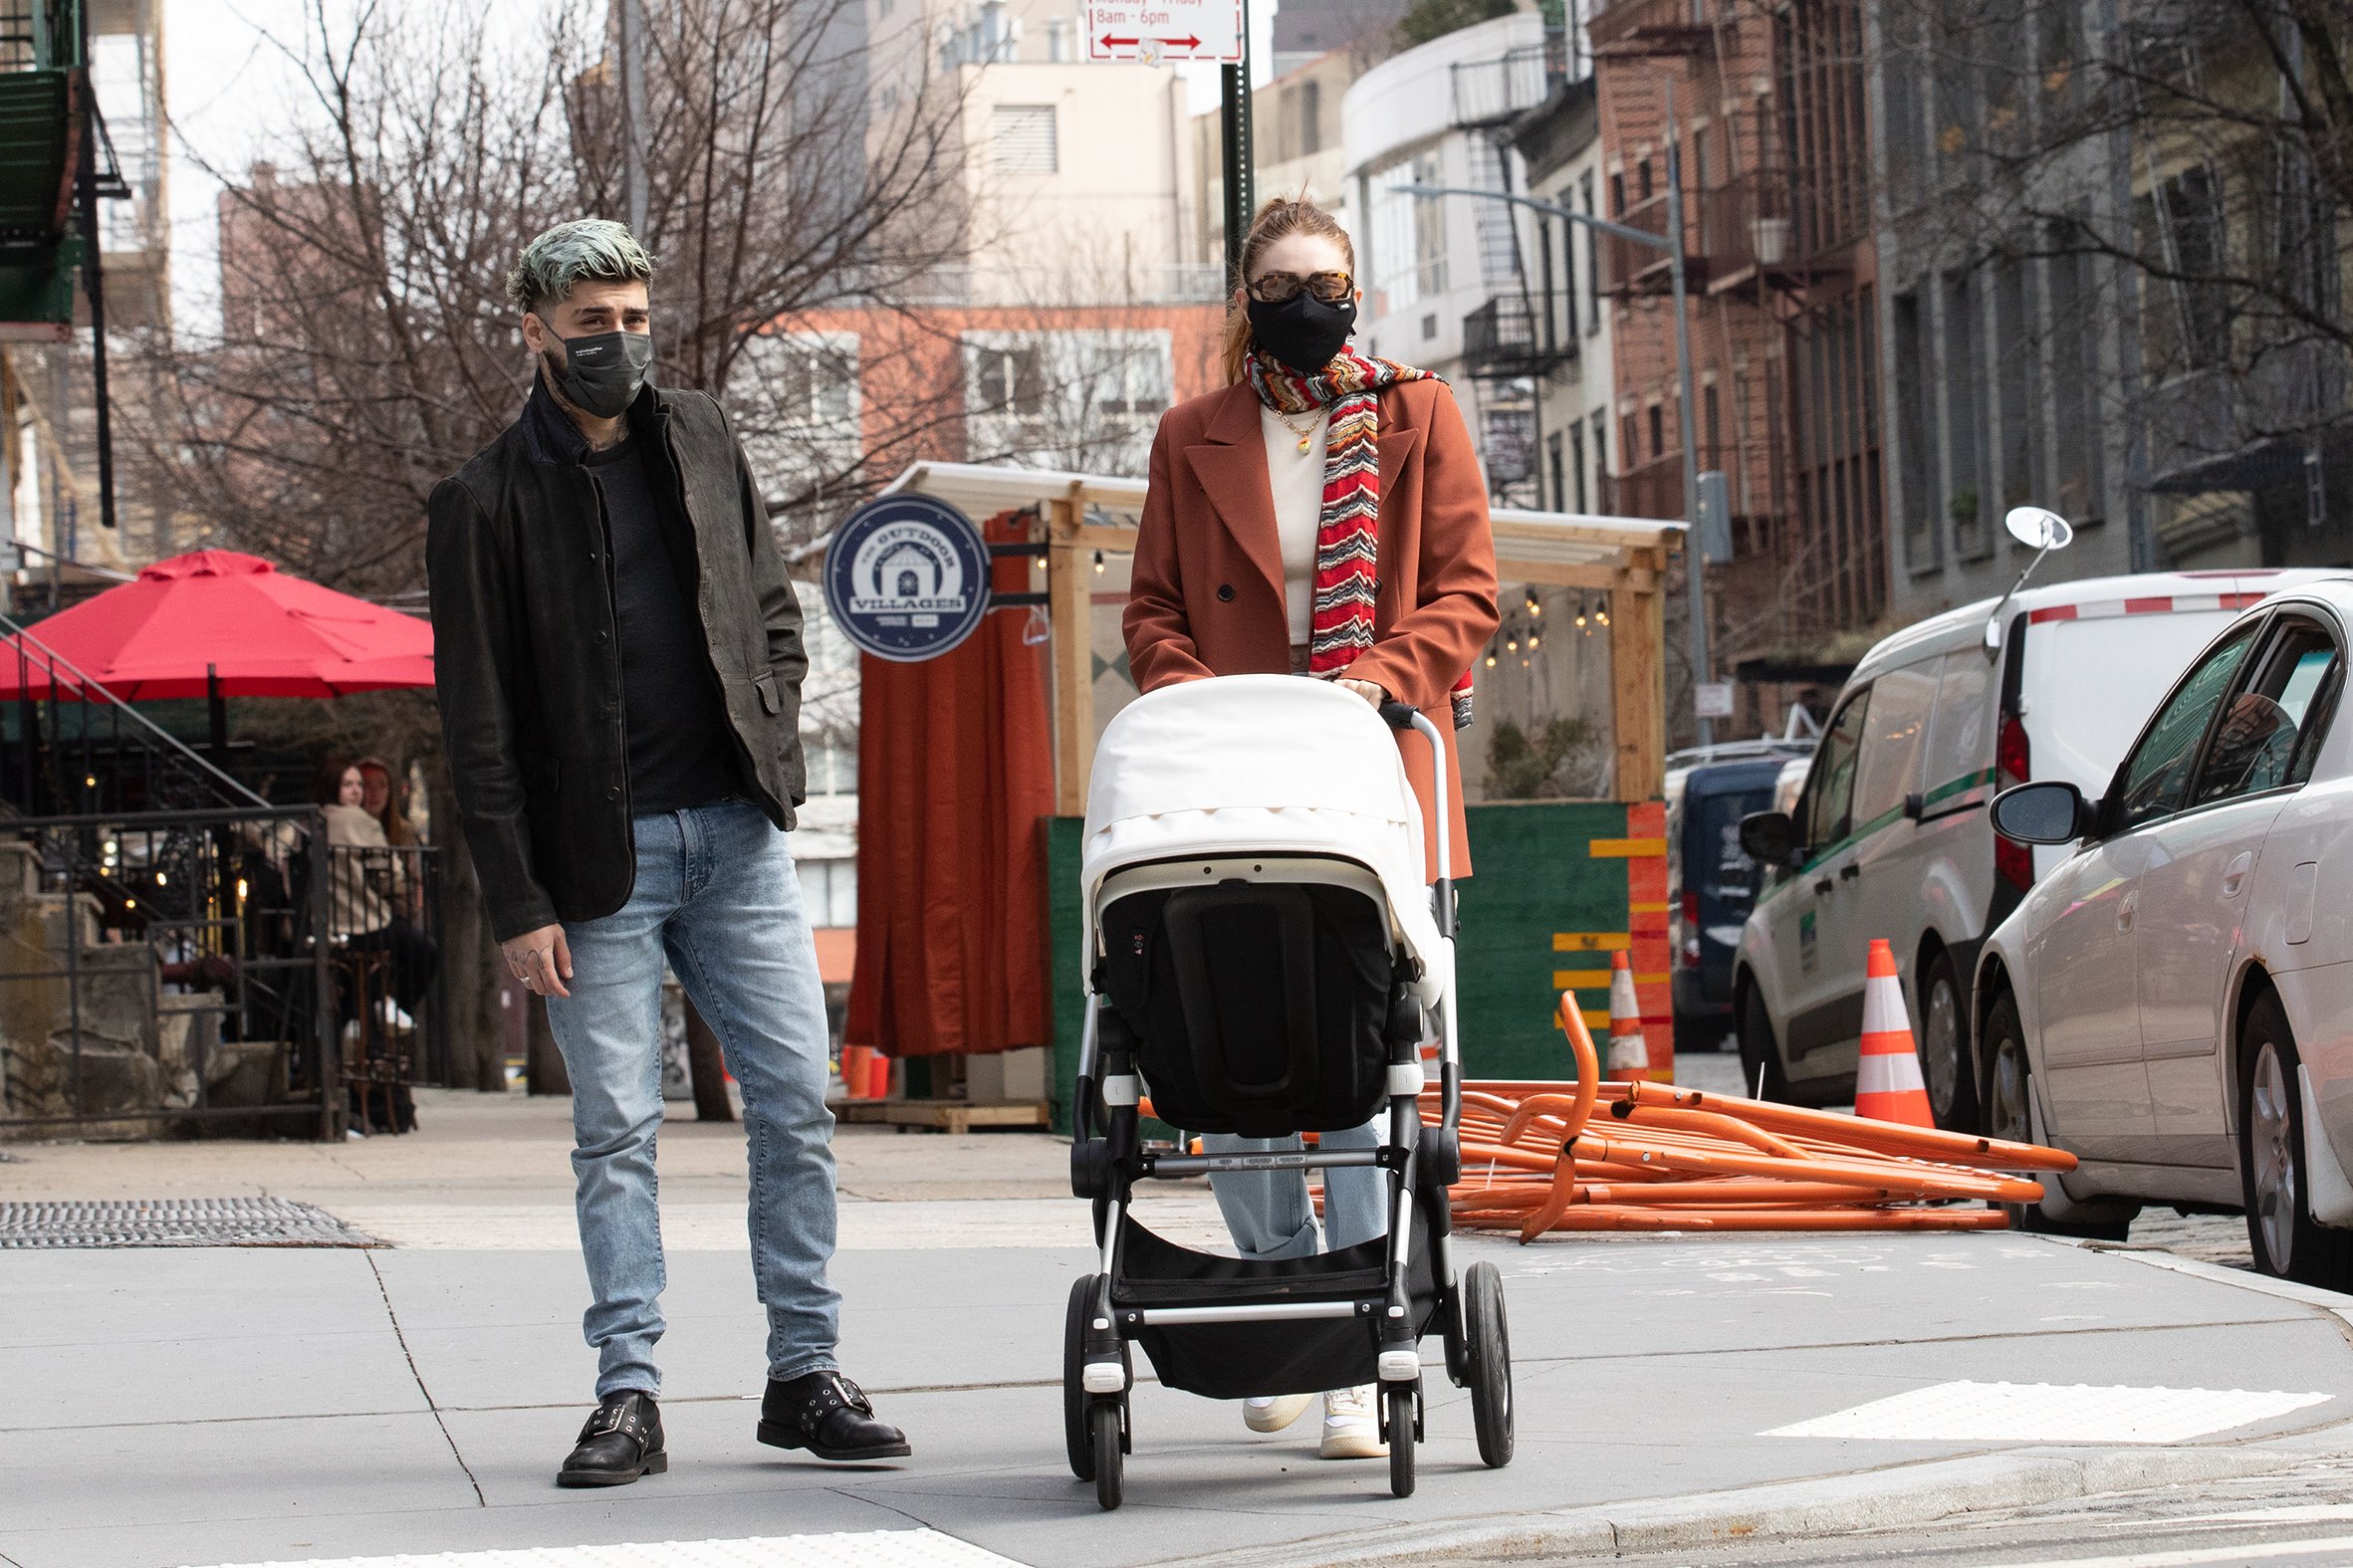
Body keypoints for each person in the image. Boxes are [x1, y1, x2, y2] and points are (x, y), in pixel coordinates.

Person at [426, 218, 906, 1488]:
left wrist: (775, 737)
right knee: (616, 1133)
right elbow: (476, 727)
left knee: (797, 1101)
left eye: (636, 319)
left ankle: (804, 1374)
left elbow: (766, 607)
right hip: (599, 867)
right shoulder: (482, 503)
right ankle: (627, 1393)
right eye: (592, 325)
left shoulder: (698, 434)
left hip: (735, 837)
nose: (619, 344)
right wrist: (519, 900)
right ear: (535, 331)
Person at [1123, 197, 1500, 1459]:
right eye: (1281, 281)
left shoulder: (1414, 415)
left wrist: (1383, 676)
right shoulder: (1192, 436)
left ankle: (1350, 1345)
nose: (1306, 300)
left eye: (1326, 280)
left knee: (1354, 1050)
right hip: (1226, 775)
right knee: (1233, 1055)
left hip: (1367, 764)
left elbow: (1465, 590)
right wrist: (1191, 692)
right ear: (1245, 297)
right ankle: (1278, 1303)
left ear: (1356, 289)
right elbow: (1154, 610)